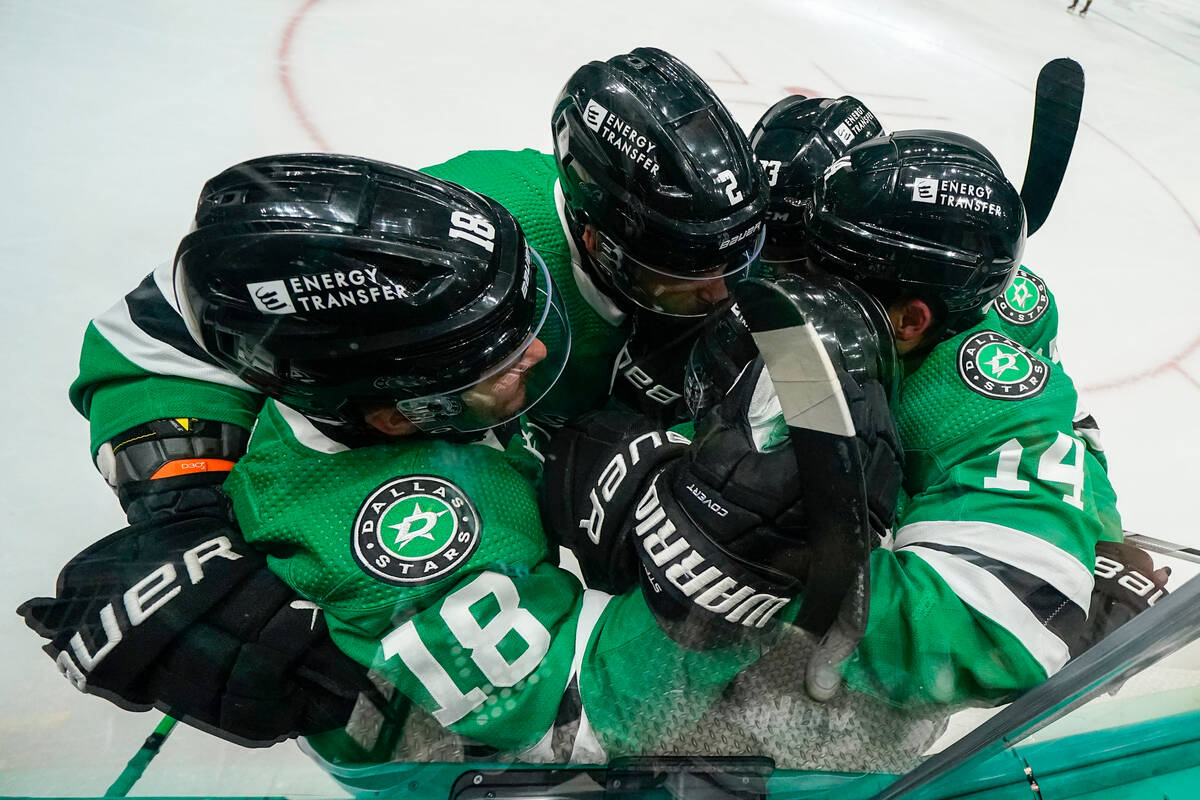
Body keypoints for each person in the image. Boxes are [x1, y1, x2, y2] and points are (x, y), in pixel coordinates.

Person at [22, 154, 839, 770]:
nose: (538, 352)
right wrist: (712, 575)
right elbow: (583, 713)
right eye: (493, 357)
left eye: (526, 310)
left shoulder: (473, 224)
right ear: (397, 413)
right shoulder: (418, 534)